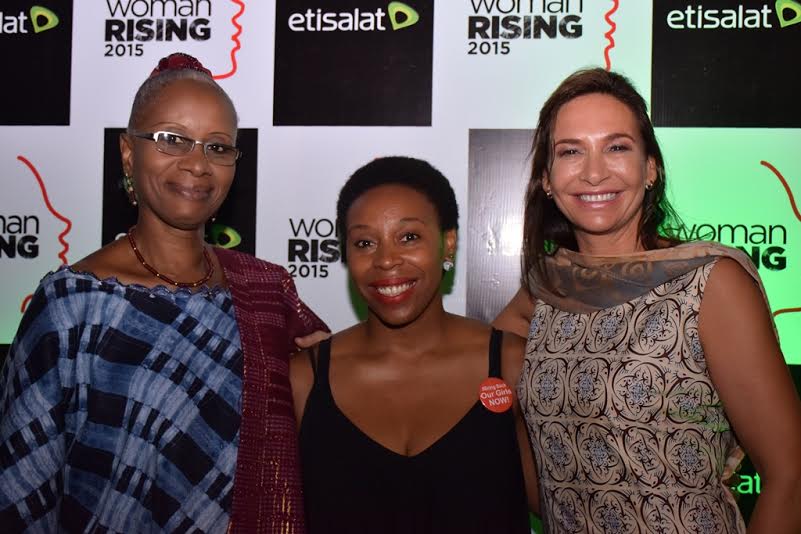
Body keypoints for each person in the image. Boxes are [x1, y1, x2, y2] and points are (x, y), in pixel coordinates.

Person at [0, 53, 326, 533]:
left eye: (218, 147)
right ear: (128, 153)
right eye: (172, 139)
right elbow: (22, 492)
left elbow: (342, 403)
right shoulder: (71, 305)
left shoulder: (266, 293)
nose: (197, 164)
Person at [494, 68, 801, 533]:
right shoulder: (545, 290)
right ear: (547, 180)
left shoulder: (709, 284)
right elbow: (477, 389)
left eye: (617, 147)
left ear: (650, 168)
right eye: (571, 151)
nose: (594, 172)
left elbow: (790, 475)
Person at [290, 156, 538, 533]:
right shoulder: (302, 380)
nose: (386, 260)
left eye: (409, 237)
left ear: (448, 243)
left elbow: (571, 505)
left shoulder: (514, 365)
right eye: (364, 242)